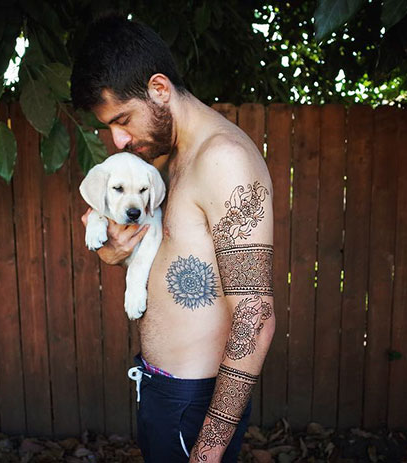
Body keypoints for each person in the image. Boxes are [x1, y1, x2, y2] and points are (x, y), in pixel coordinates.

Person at [71, 14, 275, 463]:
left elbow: (255, 317)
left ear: (159, 89)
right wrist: (115, 253)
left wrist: (208, 451)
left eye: (123, 120)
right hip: (162, 392)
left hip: (195, 406)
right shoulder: (168, 161)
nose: (118, 140)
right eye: (109, 127)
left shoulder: (224, 161)